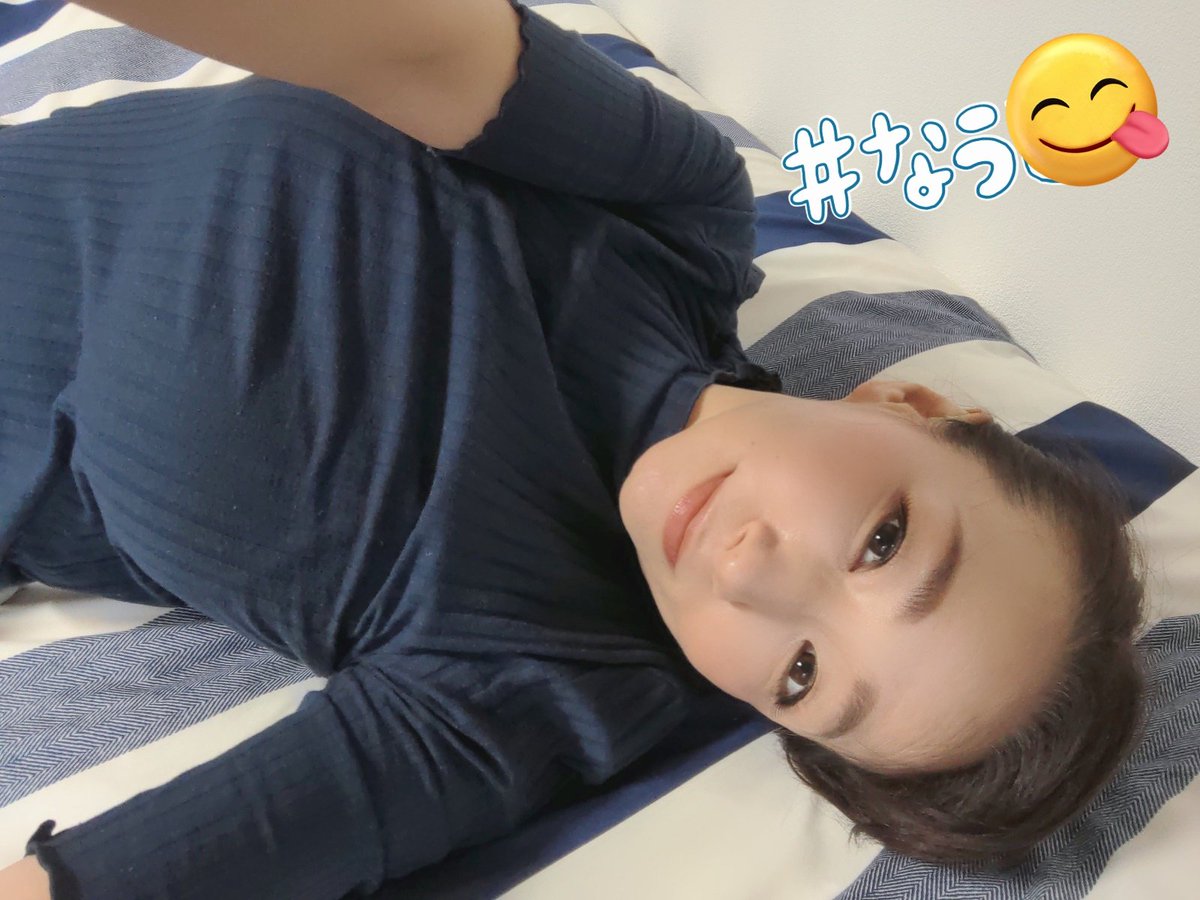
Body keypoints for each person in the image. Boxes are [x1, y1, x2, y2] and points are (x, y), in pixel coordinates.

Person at [0, 0, 1147, 897]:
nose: (749, 571)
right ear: (911, 404)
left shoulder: (531, 688)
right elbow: (409, 42)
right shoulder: (676, 217)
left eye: (801, 676)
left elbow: (125, 879)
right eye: (884, 544)